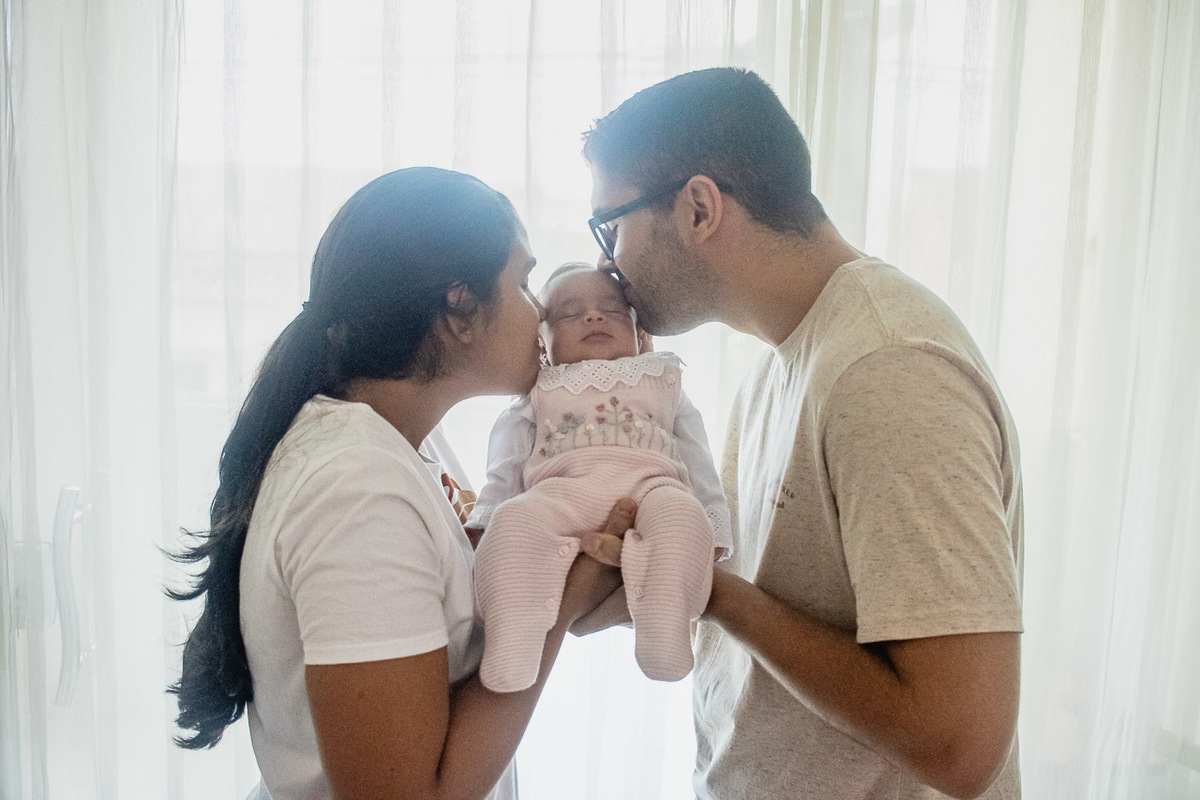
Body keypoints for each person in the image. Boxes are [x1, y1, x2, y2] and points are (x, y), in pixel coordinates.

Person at [583, 68, 1024, 800]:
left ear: (698, 208)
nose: (604, 262)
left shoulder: (888, 367)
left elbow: (961, 744)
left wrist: (713, 591)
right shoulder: (780, 368)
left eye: (612, 225)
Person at [167, 167, 630, 800]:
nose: (541, 309)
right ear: (460, 309)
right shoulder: (357, 489)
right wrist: (561, 608)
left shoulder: (398, 444)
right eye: (522, 282)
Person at [464, 263, 732, 692]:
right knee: (513, 525)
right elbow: (507, 458)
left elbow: (697, 456)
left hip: (653, 486)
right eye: (570, 314)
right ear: (543, 342)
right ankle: (511, 642)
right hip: (560, 491)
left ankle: (665, 630)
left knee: (683, 518)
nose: (593, 316)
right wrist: (487, 514)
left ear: (639, 333)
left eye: (611, 308)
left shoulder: (662, 376)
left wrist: (714, 520)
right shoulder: (541, 386)